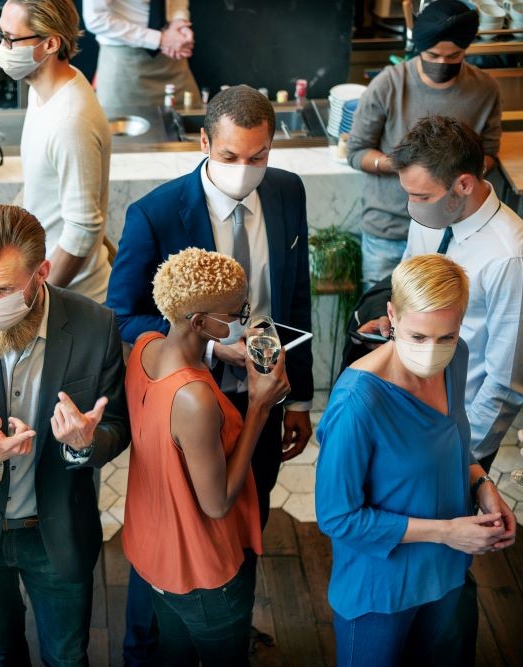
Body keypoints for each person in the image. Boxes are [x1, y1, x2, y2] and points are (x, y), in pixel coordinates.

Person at [106, 84, 313, 664]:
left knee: (249, 511)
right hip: (193, 400)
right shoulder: (155, 213)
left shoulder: (288, 192)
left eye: (258, 157)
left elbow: (296, 295)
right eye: (229, 157)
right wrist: (210, 343)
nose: (245, 171)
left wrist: (296, 400)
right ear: (203, 142)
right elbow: (123, 314)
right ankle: (152, 648)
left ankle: (224, 617)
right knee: (178, 534)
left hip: (266, 393)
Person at [0, 204, 130, 666]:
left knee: (68, 655)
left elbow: (116, 426)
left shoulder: (96, 326)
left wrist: (84, 444)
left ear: (42, 273)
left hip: (56, 532)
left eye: (4, 289)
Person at [315, 254, 516, 667]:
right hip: (380, 591)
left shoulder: (454, 358)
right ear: (392, 315)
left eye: (447, 335)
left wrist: (482, 485)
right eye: (419, 336)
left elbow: (453, 446)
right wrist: (446, 532)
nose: (433, 351)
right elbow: (336, 517)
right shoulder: (357, 404)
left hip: (445, 575)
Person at [125, 247, 289, 666]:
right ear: (199, 322)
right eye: (236, 313)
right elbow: (216, 504)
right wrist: (259, 407)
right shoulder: (194, 398)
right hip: (200, 567)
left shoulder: (145, 346)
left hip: (154, 550)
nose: (244, 320)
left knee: (174, 653)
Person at [358, 116, 522, 472]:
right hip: (404, 402)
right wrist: (393, 322)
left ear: (462, 184)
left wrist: (462, 454)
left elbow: (505, 382)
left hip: (459, 423)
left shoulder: (510, 256)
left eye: (421, 196)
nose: (412, 207)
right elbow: (408, 281)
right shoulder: (430, 217)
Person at [347, 0, 501, 292]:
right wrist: (407, 167)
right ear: (419, 47)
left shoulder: (485, 89)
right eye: (433, 55)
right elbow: (357, 152)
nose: (442, 63)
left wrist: (460, 174)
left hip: (452, 230)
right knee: (381, 314)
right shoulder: (388, 84)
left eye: (453, 56)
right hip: (388, 230)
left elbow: (490, 152)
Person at [0, 0, 112, 303]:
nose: (3, 48)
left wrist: (36, 298)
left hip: (71, 299)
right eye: (1, 35)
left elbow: (83, 229)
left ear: (49, 43)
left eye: (11, 39)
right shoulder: (45, 90)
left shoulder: (70, 121)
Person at [82, 0, 199, 110]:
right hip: (125, 65)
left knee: (192, 123)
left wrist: (179, 22)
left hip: (172, 58)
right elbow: (95, 18)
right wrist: (160, 39)